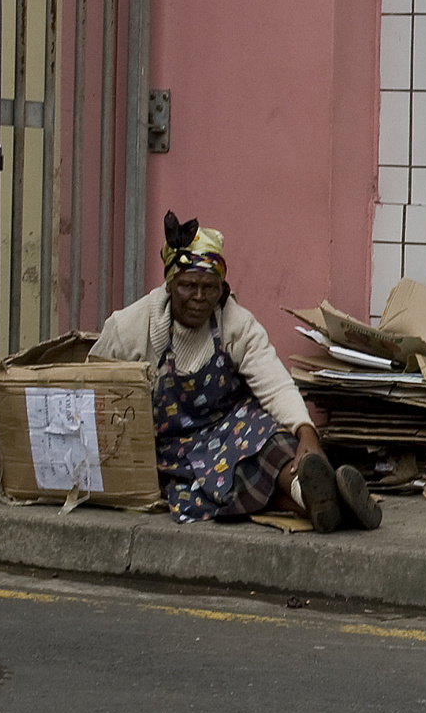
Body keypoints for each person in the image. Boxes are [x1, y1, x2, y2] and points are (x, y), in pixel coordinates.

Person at [93, 212, 381, 532]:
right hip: (169, 449)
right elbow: (93, 391)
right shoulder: (129, 328)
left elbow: (275, 384)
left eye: (210, 287)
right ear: (170, 283)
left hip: (231, 431)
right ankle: (323, 502)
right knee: (212, 483)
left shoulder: (236, 323)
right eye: (188, 286)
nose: (200, 298)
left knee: (269, 438)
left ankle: (312, 494)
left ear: (222, 287)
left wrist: (307, 434)